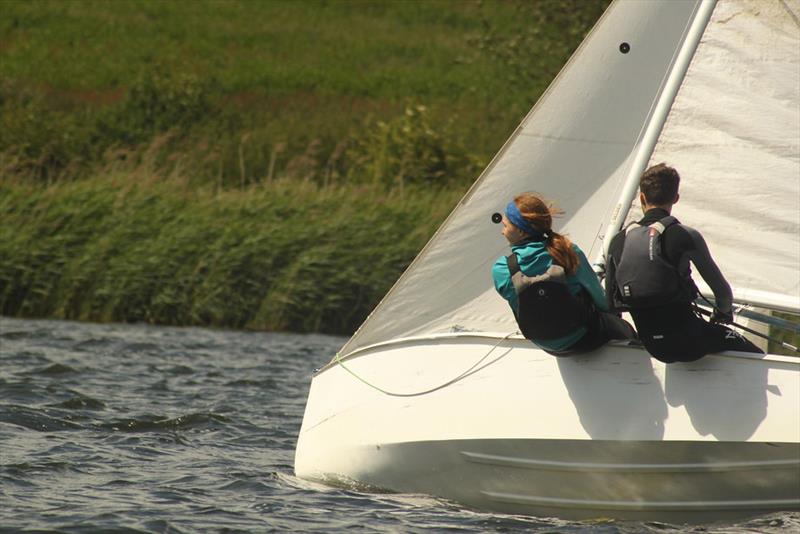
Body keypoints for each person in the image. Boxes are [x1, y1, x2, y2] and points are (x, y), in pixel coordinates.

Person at [605, 163, 762, 363]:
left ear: (642, 197)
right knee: (752, 351)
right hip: (692, 342)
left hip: (654, 347)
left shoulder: (618, 241)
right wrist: (720, 314)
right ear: (676, 198)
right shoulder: (686, 236)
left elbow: (611, 304)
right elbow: (723, 295)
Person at [492, 192, 636, 355]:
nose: (502, 232)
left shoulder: (501, 269)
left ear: (521, 231)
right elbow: (602, 301)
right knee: (627, 330)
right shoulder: (566, 251)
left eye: (505, 226)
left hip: (544, 344)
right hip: (584, 337)